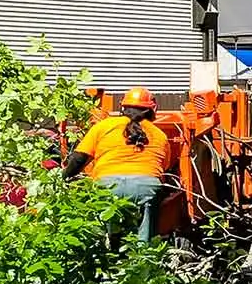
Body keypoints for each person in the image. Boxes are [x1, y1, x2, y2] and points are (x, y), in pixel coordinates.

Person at [63, 88, 171, 241]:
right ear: (153, 110)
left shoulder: (103, 126)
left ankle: (106, 257)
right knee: (144, 239)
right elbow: (163, 167)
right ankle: (143, 261)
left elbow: (79, 158)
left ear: (122, 107)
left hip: (107, 186)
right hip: (146, 187)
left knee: (104, 235)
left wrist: (65, 177)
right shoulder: (160, 135)